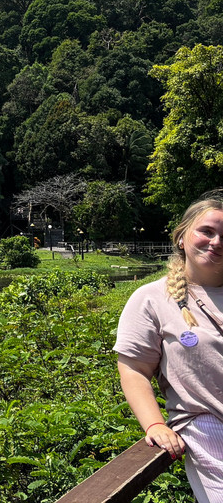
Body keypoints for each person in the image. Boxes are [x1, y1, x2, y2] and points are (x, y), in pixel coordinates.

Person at [114, 194, 223, 502]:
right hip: (209, 431)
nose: (215, 242)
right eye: (207, 231)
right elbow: (134, 368)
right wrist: (155, 424)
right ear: (181, 237)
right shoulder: (151, 298)